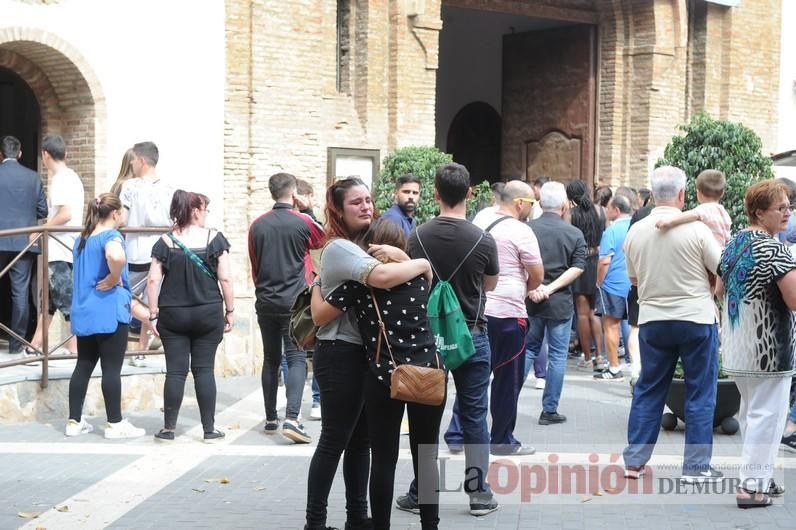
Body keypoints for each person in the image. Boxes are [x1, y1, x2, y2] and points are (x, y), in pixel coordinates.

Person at [305, 177, 429, 530]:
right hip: (340, 351)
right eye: (356, 202)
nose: (365, 207)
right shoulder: (343, 249)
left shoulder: (360, 248)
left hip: (368, 356)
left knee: (360, 442)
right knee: (335, 438)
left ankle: (358, 517)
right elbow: (382, 278)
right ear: (338, 210)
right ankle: (316, 522)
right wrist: (421, 264)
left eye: (368, 200)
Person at [398, 163, 501, 517]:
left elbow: (411, 283)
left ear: (436, 194)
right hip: (471, 334)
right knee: (474, 415)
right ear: (470, 192)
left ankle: (421, 491)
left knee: (426, 417)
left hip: (428, 339)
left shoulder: (418, 236)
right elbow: (490, 285)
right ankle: (479, 493)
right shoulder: (483, 239)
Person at [622, 166, 722, 483]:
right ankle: (696, 467)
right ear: (682, 195)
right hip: (696, 318)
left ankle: (634, 461)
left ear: (652, 195)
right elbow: (721, 268)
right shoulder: (698, 230)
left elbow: (634, 280)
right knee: (700, 392)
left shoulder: (635, 231)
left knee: (648, 389)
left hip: (653, 319)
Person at [717, 180, 796, 508]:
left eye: (788, 205)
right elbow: (794, 301)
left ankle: (760, 477)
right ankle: (751, 488)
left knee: (753, 413)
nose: (787, 211)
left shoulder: (734, 243)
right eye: (780, 207)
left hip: (738, 345)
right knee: (768, 416)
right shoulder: (775, 249)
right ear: (759, 212)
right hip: (769, 349)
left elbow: (719, 289)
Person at [147, 190, 234, 443]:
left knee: (175, 372)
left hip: (173, 315)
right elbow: (226, 278)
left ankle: (168, 429)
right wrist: (230, 311)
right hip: (208, 312)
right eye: (205, 209)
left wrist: (153, 315)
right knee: (204, 370)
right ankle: (209, 429)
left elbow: (153, 280)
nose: (206, 214)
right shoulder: (214, 239)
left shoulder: (165, 242)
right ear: (196, 211)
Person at [248, 172, 324, 444]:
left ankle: (271, 418)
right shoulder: (302, 221)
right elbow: (322, 240)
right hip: (294, 301)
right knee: (296, 357)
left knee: (270, 359)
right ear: (294, 194)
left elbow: (254, 265)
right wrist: (310, 209)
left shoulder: (257, 225)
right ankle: (292, 417)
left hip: (266, 300)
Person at [66, 193, 145, 439]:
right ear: (114, 214)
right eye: (121, 212)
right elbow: (117, 256)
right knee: (111, 370)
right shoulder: (111, 236)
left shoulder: (82, 240)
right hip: (109, 312)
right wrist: (114, 276)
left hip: (84, 312)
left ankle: (74, 421)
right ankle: (115, 424)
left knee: (83, 366)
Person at [472, 180, 542, 455]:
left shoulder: (479, 221)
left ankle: (457, 433)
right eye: (531, 204)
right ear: (520, 203)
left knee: (475, 376)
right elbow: (537, 274)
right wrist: (524, 288)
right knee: (506, 380)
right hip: (510, 315)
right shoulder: (521, 231)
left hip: (478, 311)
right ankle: (501, 440)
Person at [526, 182, 586, 425]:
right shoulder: (573, 233)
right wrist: (551, 288)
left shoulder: (527, 229)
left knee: (528, 350)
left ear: (540, 204)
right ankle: (549, 410)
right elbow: (578, 267)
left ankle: (507, 400)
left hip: (531, 300)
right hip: (559, 302)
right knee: (558, 356)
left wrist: (535, 288)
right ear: (564, 206)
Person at [28, 134, 84, 355]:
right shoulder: (73, 177)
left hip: (61, 249)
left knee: (67, 302)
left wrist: (41, 229)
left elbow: (66, 214)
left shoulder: (60, 179)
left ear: (45, 155)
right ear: (66, 154)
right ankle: (35, 346)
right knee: (48, 303)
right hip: (68, 247)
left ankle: (75, 351)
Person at [120, 141, 173, 366]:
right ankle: (141, 352)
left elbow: (122, 219)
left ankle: (153, 323)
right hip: (161, 251)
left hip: (136, 251)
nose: (131, 163)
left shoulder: (130, 187)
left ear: (141, 160)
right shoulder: (170, 188)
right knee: (152, 300)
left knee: (122, 297)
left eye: (133, 159)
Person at [0, 135, 47, 354]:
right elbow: (43, 211)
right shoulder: (33, 177)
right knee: (20, 293)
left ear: (0, 154)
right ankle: (16, 344)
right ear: (19, 154)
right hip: (24, 243)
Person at [566, 179, 606, 369]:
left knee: (581, 313)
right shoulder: (600, 211)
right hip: (596, 260)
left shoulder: (570, 214)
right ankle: (600, 356)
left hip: (579, 262)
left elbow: (567, 238)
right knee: (594, 312)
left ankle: (587, 358)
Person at [593, 194, 633, 380]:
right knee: (634, 327)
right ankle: (636, 367)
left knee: (611, 326)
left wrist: (599, 282)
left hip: (613, 284)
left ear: (616, 210)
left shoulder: (611, 231)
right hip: (634, 283)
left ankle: (614, 368)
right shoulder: (637, 226)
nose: (606, 211)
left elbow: (604, 261)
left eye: (608, 208)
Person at [296, 177, 323, 421]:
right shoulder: (306, 222)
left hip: (298, 289)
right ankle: (316, 401)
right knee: (313, 347)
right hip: (309, 288)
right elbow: (321, 238)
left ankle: (295, 403)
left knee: (292, 350)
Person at [655, 169, 732, 247]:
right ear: (722, 193)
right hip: (721, 253)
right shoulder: (724, 214)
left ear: (698, 193)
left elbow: (693, 214)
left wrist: (670, 221)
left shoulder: (706, 208)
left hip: (708, 250)